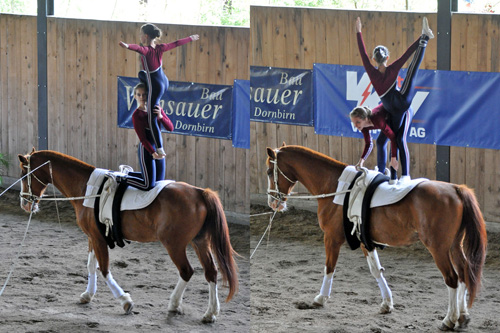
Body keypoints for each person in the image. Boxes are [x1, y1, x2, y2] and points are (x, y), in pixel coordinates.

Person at [355, 16, 434, 182]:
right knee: (411, 71)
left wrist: (358, 32)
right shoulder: (392, 68)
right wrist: (420, 38)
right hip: (400, 103)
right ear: (387, 58)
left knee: (393, 139)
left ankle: (396, 174)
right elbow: (407, 55)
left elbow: (362, 54)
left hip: (398, 107)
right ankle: (424, 39)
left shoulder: (372, 72)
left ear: (374, 59)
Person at [119, 23, 199, 158]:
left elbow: (137, 48)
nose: (140, 37)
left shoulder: (146, 50)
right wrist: (190, 38)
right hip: (164, 81)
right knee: (141, 74)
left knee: (152, 118)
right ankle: (149, 87)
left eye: (140, 35)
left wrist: (127, 46)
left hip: (156, 86)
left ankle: (160, 148)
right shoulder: (161, 47)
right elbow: (176, 43)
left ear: (145, 36)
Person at [124, 82, 174, 190]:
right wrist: (153, 153)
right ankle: (121, 178)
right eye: (139, 94)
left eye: (144, 94)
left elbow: (170, 127)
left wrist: (160, 116)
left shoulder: (156, 108)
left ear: (148, 95)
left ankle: (128, 173)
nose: (142, 97)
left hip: (158, 147)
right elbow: (143, 139)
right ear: (135, 96)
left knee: (159, 183)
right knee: (148, 185)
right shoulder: (137, 115)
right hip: (146, 149)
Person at [350, 105, 400, 184]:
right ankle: (381, 173)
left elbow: (393, 138)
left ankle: (394, 176)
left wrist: (393, 158)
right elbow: (368, 144)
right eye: (354, 123)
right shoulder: (363, 126)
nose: (356, 126)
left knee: (396, 141)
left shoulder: (377, 120)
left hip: (394, 116)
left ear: (365, 119)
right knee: (380, 142)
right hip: (386, 120)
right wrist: (361, 161)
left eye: (358, 122)